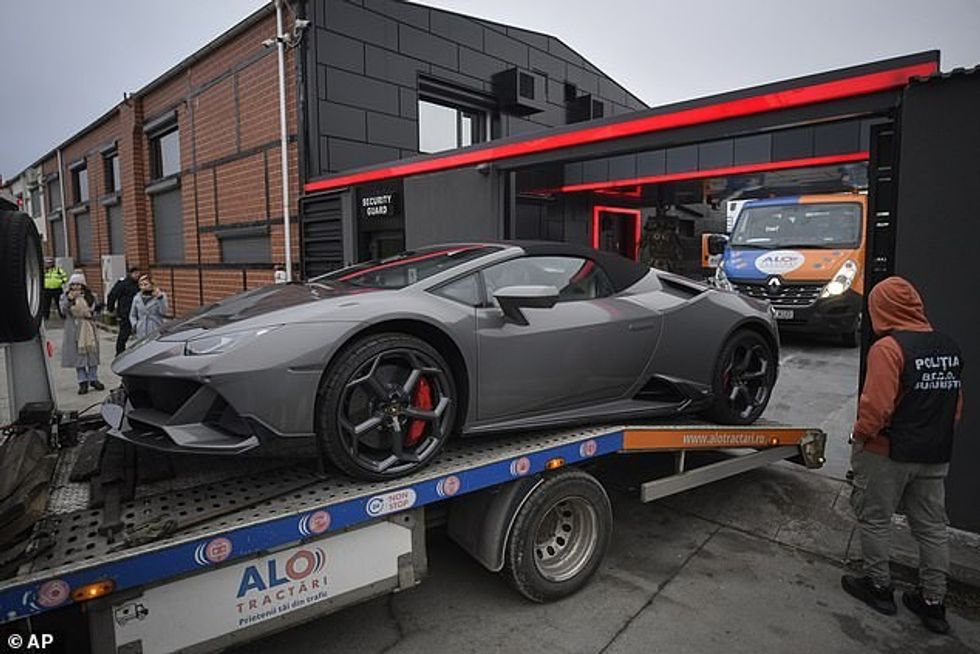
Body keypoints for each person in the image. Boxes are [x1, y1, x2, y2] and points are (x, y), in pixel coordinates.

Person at [841, 276, 964, 635]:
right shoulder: (948, 346)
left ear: (881, 308)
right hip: (934, 453)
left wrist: (859, 436)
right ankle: (933, 602)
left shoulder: (888, 348)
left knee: (875, 519)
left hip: (888, 453)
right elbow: (955, 407)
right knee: (932, 528)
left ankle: (879, 587)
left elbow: (876, 408)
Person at [59, 272, 104, 395]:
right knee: (78, 356)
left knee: (92, 353)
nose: (76, 287)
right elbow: (63, 311)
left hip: (89, 327)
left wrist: (92, 314)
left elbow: (97, 310)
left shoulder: (91, 296)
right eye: (73, 284)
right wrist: (70, 299)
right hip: (74, 329)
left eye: (78, 284)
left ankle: (93, 378)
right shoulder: (65, 297)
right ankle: (82, 381)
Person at [107, 266, 140, 355]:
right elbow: (112, 295)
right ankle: (120, 352)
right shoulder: (123, 284)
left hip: (137, 313)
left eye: (138, 273)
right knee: (124, 334)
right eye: (135, 273)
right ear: (130, 274)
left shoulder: (139, 284)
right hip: (126, 313)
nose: (137, 275)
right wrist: (110, 308)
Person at [129, 274, 169, 340]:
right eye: (141, 285)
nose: (143, 287)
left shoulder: (160, 296)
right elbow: (132, 315)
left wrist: (160, 298)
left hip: (155, 326)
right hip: (141, 328)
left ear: (152, 285)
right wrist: (135, 325)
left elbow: (163, 312)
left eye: (145, 284)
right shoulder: (137, 298)